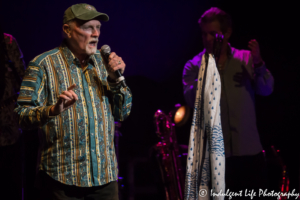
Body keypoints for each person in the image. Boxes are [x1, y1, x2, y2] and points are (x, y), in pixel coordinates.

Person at [14, 3, 132, 200]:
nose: (96, 34)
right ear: (67, 30)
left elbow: (123, 112)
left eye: (98, 27)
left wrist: (115, 80)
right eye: (88, 27)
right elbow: (20, 116)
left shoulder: (105, 65)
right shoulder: (43, 64)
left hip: (105, 179)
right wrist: (52, 110)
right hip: (61, 180)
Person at [182, 7, 274, 198]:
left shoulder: (245, 59)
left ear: (227, 32)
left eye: (213, 34)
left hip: (249, 153)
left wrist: (259, 64)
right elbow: (191, 100)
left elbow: (266, 90)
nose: (208, 39)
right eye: (204, 34)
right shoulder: (193, 65)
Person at [0, 27, 26, 200]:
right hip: (8, 120)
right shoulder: (7, 41)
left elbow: (23, 77)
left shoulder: (7, 42)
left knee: (12, 178)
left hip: (8, 122)